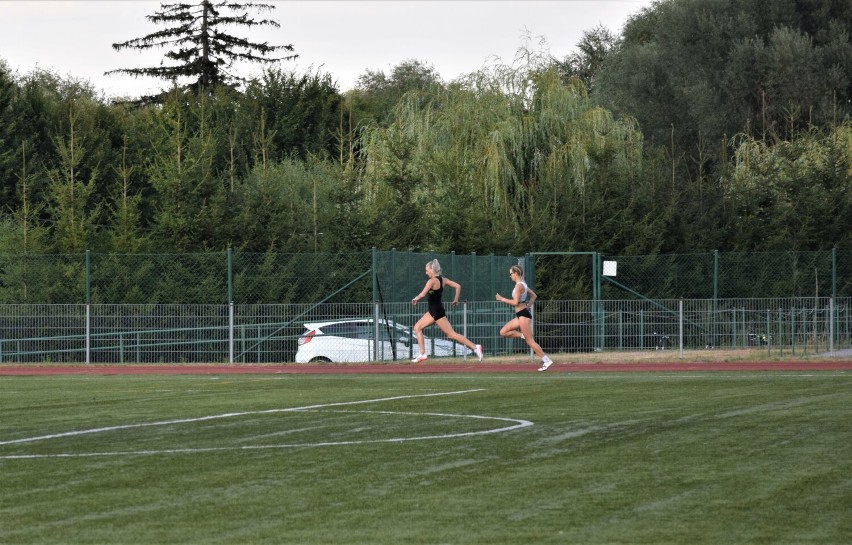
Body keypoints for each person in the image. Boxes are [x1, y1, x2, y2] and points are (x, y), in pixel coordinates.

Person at [411, 259, 483, 363]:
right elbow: (458, 286)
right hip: (433, 311)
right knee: (417, 327)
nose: (426, 273)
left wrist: (415, 298)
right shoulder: (443, 280)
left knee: (451, 334)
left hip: (437, 312)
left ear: (432, 269)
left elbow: (422, 294)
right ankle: (422, 354)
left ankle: (475, 347)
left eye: (427, 270)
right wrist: (456, 299)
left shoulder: (431, 281)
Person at [496, 265, 553, 371]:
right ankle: (523, 336)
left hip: (523, 315)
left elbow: (515, 302)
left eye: (510, 274)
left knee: (530, 341)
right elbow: (534, 296)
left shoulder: (519, 286)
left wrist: (501, 299)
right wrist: (528, 306)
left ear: (516, 273)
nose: (510, 276)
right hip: (521, 314)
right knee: (503, 332)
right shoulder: (522, 285)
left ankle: (547, 360)